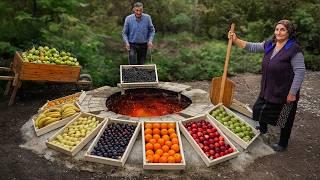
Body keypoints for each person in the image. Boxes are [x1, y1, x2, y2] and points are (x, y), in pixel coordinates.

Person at [228, 20, 306, 152]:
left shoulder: (293, 49)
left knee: (284, 118)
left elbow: (300, 71)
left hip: (285, 90)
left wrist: (292, 93)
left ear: (289, 32)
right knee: (258, 109)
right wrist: (236, 40)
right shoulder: (271, 44)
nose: (278, 32)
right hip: (269, 87)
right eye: (277, 29)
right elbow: (252, 46)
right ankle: (263, 128)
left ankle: (283, 143)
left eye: (282, 30)